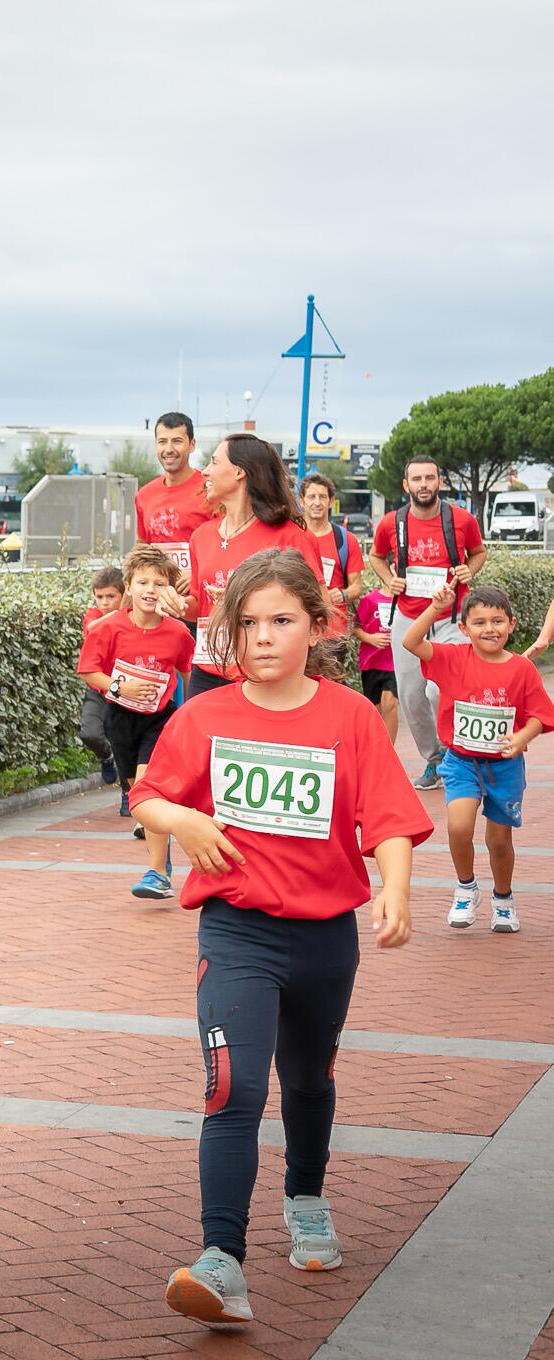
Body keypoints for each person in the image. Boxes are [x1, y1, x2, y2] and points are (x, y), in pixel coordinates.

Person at [130, 549, 428, 1328]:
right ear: (230, 632)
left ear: (318, 627)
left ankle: (306, 1197)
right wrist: (184, 819)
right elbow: (149, 796)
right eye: (249, 623)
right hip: (236, 935)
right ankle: (221, 1260)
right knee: (235, 1089)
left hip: (327, 939)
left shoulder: (352, 717)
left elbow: (391, 820)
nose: (263, 637)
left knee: (308, 1081)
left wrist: (394, 889)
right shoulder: (204, 717)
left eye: (281, 621)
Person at [403, 580, 553, 933]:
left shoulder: (521, 668)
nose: (490, 629)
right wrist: (435, 608)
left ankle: (503, 898)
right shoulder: (452, 658)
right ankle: (466, 887)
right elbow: (411, 642)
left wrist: (521, 737)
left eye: (498, 621)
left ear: (512, 625)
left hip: (505, 766)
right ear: (464, 628)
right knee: (458, 826)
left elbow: (541, 715)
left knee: (499, 840)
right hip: (460, 762)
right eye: (480, 622)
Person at [158, 433, 322, 702]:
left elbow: (316, 607)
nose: (206, 472)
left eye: (213, 462)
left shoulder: (290, 536)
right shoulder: (202, 536)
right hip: (207, 667)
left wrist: (244, 603)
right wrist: (176, 603)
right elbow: (201, 606)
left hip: (261, 671)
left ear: (239, 472)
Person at [77, 545, 195, 897]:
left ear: (169, 591)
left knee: (150, 788)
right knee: (140, 799)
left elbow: (186, 670)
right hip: (120, 719)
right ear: (128, 586)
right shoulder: (108, 628)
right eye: (142, 582)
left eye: (159, 584)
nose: (150, 590)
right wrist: (119, 685)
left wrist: (188, 711)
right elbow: (88, 670)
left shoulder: (177, 633)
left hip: (159, 720)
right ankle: (164, 861)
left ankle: (157, 872)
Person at [369, 454, 486, 790]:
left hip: (451, 617)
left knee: (441, 689)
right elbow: (376, 556)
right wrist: (388, 579)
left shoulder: (461, 519)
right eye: (417, 479)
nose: (424, 485)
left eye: (429, 478)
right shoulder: (392, 523)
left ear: (440, 482)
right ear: (406, 485)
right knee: (411, 695)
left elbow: (479, 552)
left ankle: (456, 755)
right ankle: (434, 761)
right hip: (409, 616)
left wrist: (470, 570)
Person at [136, 412, 217, 588]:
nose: (169, 449)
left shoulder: (211, 490)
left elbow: (226, 543)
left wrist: (197, 574)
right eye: (162, 441)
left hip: (198, 595)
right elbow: (142, 549)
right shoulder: (144, 495)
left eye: (177, 441)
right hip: (156, 597)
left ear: (192, 445)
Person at [298, 472, 361, 655]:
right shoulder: (292, 535)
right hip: (297, 628)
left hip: (333, 631)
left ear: (331, 501)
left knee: (330, 683)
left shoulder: (345, 539)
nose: (317, 502)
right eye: (311, 497)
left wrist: (341, 594)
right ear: (302, 501)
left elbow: (357, 587)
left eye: (322, 497)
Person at [81, 565, 127, 798]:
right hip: (98, 690)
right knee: (90, 733)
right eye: (99, 597)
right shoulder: (94, 616)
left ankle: (127, 797)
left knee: (124, 746)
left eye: (111, 596)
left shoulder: (131, 618)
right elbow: (92, 628)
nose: (105, 602)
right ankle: (105, 757)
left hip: (123, 693)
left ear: (123, 595)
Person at [353, 586, 401, 745]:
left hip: (395, 662)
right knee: (375, 710)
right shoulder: (369, 600)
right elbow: (356, 629)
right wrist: (371, 638)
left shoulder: (406, 601)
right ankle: (375, 748)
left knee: (389, 703)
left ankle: (389, 752)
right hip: (372, 662)